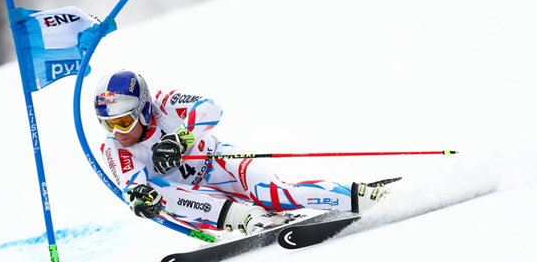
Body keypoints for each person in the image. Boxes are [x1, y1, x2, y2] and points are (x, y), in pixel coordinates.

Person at [95, 70, 393, 235]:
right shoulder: (115, 147)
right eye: (108, 125)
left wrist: (182, 138)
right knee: (156, 190)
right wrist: (141, 200)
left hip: (219, 163)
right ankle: (248, 217)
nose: (118, 133)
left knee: (276, 193)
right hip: (196, 197)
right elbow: (131, 185)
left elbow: (211, 107)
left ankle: (363, 196)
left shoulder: (163, 102)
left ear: (144, 108)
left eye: (124, 121)